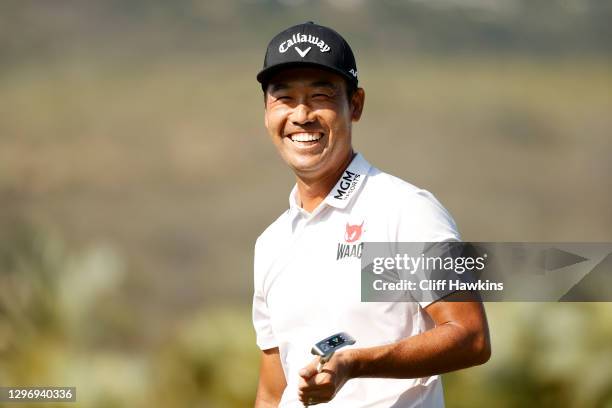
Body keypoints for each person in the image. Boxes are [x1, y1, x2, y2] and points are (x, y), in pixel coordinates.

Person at [252, 22, 490, 407]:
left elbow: (471, 336)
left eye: (320, 96)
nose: (301, 114)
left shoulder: (409, 209)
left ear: (356, 105)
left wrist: (353, 365)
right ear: (267, 110)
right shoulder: (271, 243)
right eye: (284, 98)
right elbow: (272, 392)